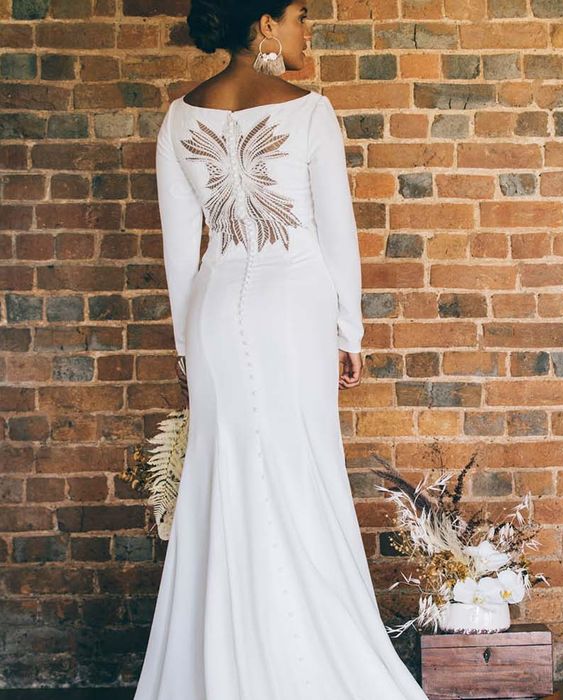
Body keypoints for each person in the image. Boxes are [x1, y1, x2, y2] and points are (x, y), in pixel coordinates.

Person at [133, 1, 430, 698]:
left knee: (224, 478)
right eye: (298, 15)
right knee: (300, 472)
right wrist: (348, 332)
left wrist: (185, 351)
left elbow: (182, 253)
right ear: (263, 24)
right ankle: (303, 663)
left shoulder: (178, 119)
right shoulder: (309, 111)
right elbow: (336, 234)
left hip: (212, 315)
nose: (306, 30)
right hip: (294, 308)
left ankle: (222, 664)